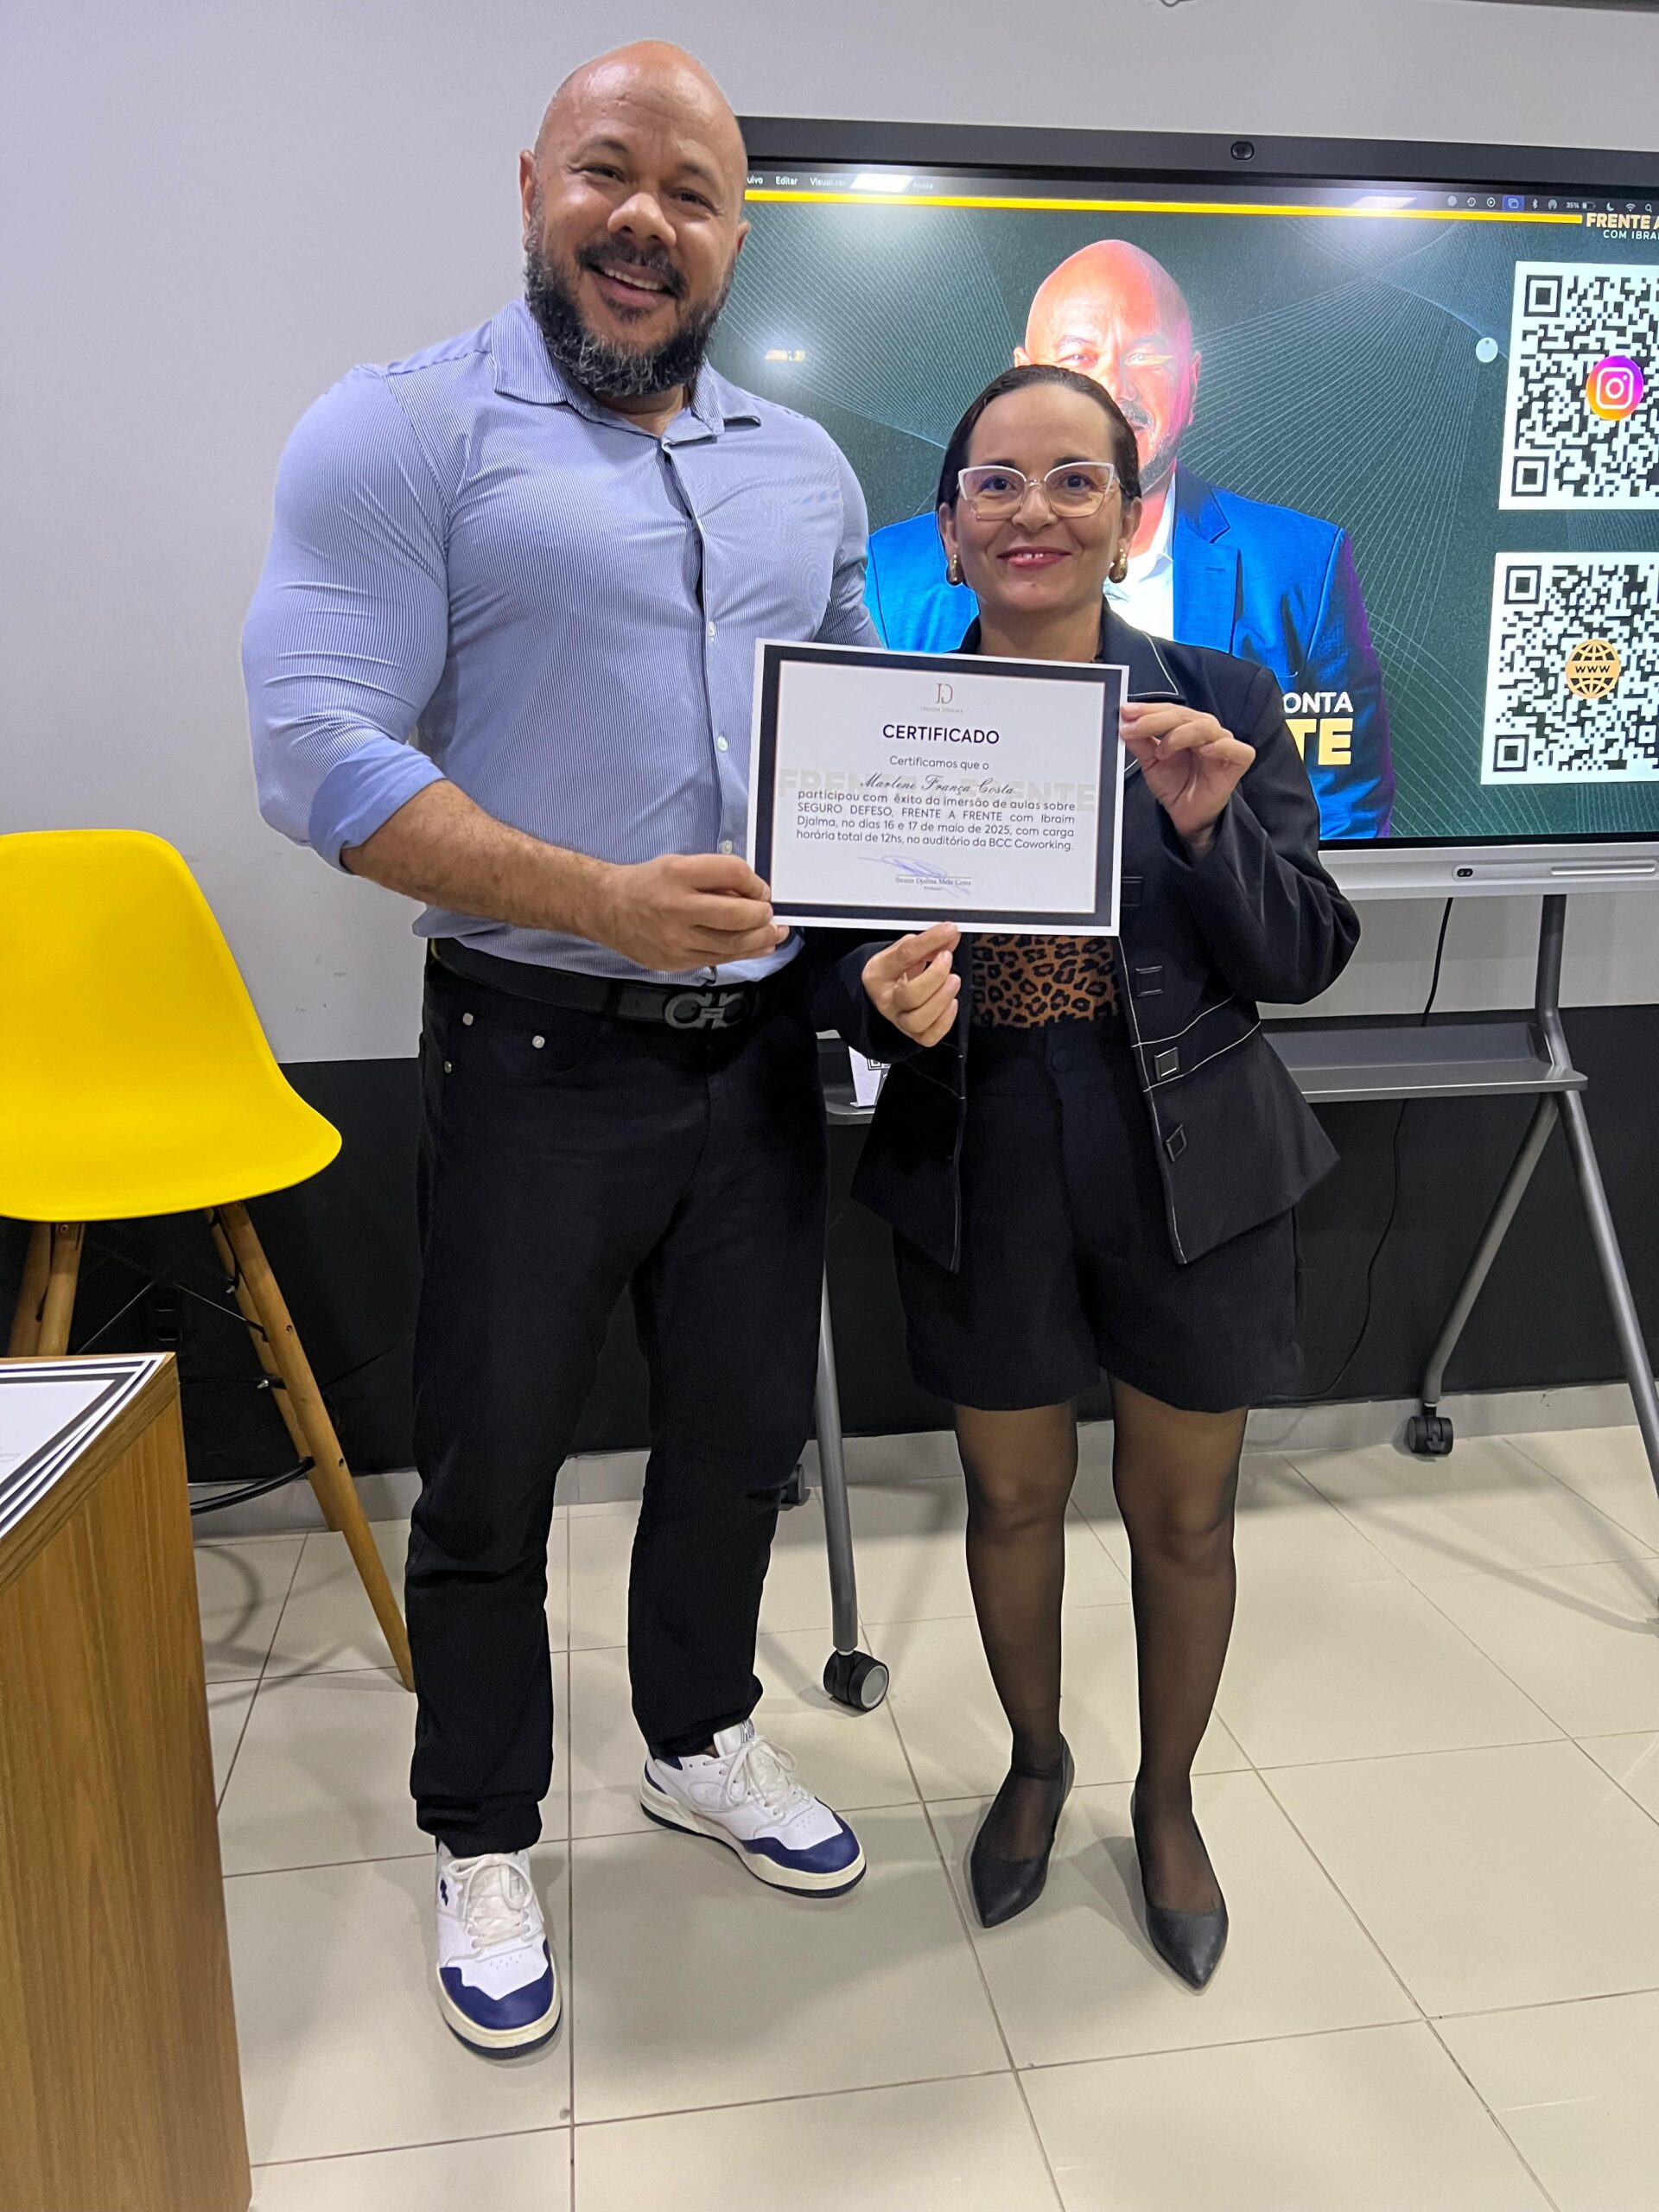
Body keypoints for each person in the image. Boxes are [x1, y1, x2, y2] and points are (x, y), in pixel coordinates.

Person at [243, 43, 873, 2059]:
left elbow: (857, 754)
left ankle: (695, 1734)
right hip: (531, 1046)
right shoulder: (398, 429)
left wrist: (929, 911)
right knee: (494, 1465)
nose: (646, 223)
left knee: (735, 1437)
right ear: (533, 183)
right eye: (611, 172)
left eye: (694, 194)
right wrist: (595, 895)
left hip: (761, 1060)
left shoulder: (809, 470)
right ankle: (481, 1826)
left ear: (737, 236)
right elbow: (315, 749)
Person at [815, 364, 1358, 1986]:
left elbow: (1305, 954)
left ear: (1128, 521)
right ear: (948, 529)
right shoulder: (894, 721)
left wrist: (1209, 829)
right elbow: (841, 959)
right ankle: (1037, 1762)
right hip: (982, 1150)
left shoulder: (1221, 695)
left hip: (1187, 1152)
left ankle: (1167, 1798)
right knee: (1010, 1495)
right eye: (996, 482)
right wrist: (877, 1005)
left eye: (1074, 481)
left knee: (1183, 1514)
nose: (1032, 510)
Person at [865, 240, 1395, 842]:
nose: (1115, 388)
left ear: (1192, 380)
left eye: (1147, 356)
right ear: (1021, 374)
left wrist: (1211, 837)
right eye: (1079, 356)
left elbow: (1342, 831)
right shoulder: (891, 580)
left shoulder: (1302, 568)